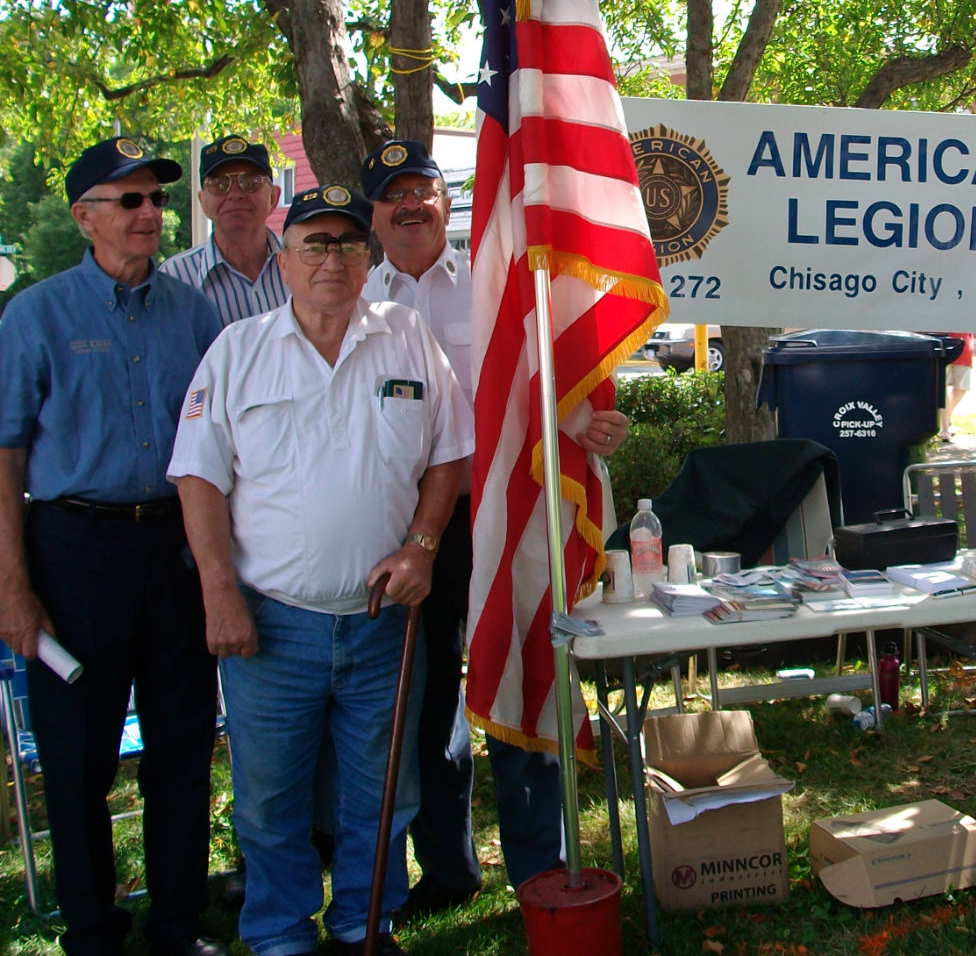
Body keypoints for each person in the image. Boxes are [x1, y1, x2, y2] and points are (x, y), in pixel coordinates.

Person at [169, 185, 472, 956]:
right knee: (271, 803)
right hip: (272, 625)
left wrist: (424, 545)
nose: (331, 258)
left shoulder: (406, 337)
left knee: (383, 796)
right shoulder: (237, 351)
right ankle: (279, 934)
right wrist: (218, 593)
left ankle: (364, 926)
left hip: (381, 622)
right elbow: (199, 477)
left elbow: (448, 453)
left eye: (346, 243)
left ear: (368, 260)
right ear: (286, 257)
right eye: (315, 243)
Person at [359, 140, 628, 900]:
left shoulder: (496, 281)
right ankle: (446, 870)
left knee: (526, 670)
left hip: (508, 508)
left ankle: (539, 868)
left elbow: (549, 374)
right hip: (415, 530)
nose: (411, 205)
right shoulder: (357, 304)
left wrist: (585, 420)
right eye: (393, 195)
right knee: (426, 696)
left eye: (425, 190)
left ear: (447, 204)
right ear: (375, 215)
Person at [0, 138, 223, 956]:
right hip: (72, 554)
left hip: (173, 551)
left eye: (156, 201)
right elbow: (5, 456)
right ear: (83, 216)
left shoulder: (193, 314)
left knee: (182, 746)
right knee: (77, 758)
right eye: (128, 201)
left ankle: (176, 922)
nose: (149, 215)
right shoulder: (36, 315)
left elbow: (217, 445)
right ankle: (91, 930)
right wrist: (11, 586)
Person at [162, 134, 287, 323]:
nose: (235, 194)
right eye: (220, 185)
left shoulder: (305, 266)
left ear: (273, 197)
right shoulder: (174, 279)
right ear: (203, 202)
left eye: (251, 183)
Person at [937, 333, 973, 443]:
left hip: (964, 345)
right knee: (942, 387)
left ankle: (946, 419)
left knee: (962, 388)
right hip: (942, 342)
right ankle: (944, 429)